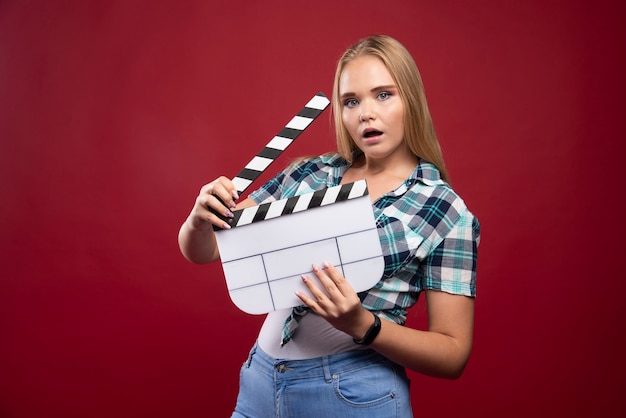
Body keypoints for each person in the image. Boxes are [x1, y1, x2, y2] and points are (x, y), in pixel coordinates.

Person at [178, 34, 480, 417]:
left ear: (411, 100)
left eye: (383, 95)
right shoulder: (310, 174)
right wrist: (199, 220)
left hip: (352, 395)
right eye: (351, 101)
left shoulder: (444, 209)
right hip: (259, 382)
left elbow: (453, 353)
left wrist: (362, 324)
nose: (365, 113)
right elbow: (207, 251)